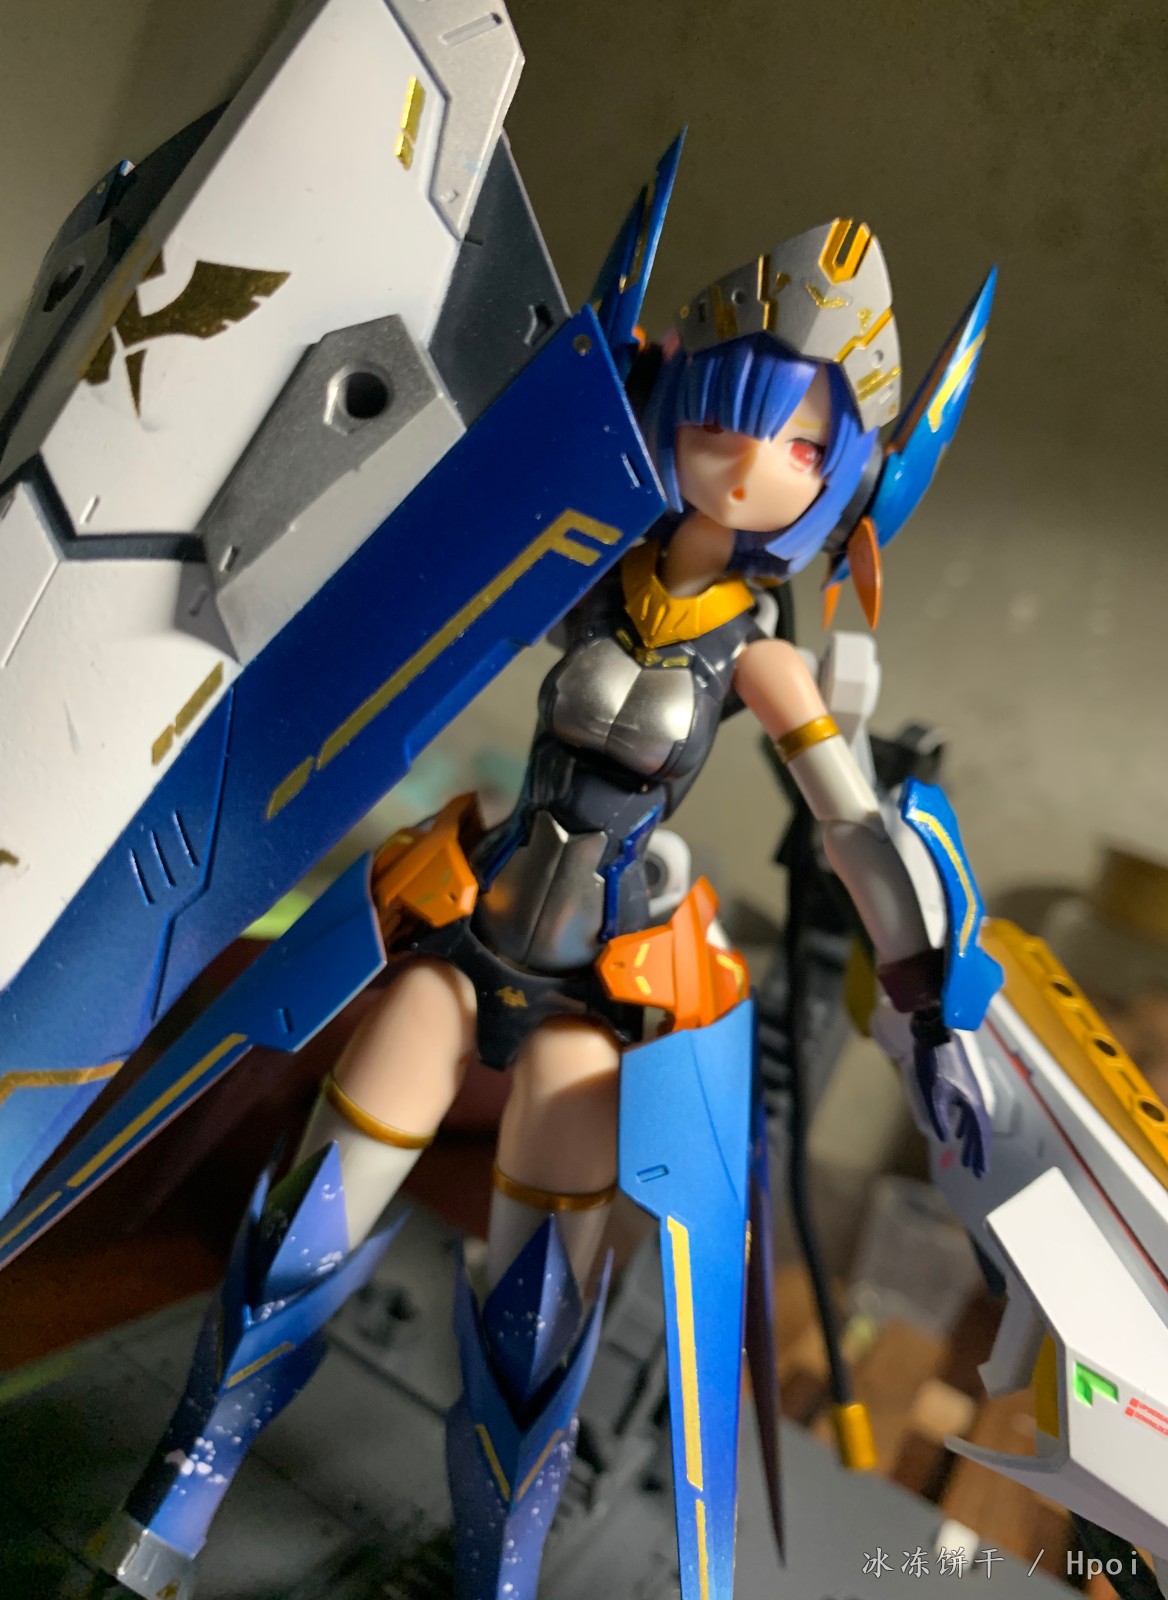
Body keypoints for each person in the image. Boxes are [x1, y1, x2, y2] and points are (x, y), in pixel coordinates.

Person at [95, 221, 996, 1600]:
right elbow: (410, 628)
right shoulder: (582, 568)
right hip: (468, 931)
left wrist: (930, 997)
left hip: (595, 987)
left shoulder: (759, 654)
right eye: (734, 413)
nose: (752, 460)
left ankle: (497, 1577)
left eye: (804, 445)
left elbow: (852, 821)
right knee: (303, 1227)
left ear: (848, 475)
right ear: (676, 394)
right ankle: (167, 1514)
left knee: (533, 1322)